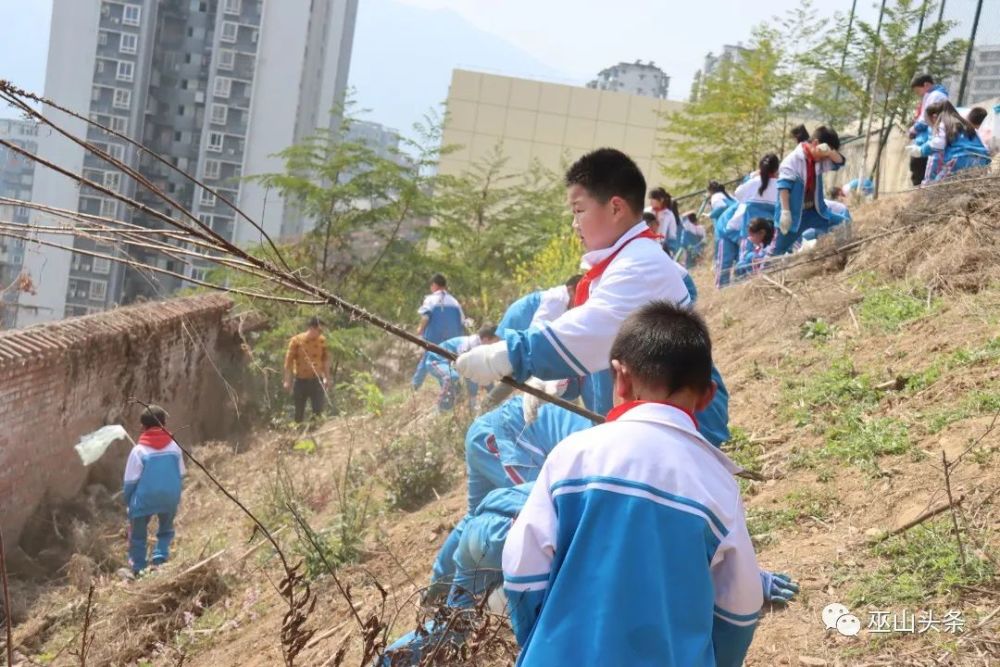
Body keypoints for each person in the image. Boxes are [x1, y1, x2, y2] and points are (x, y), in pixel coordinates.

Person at [502, 302, 762, 666]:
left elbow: (521, 570)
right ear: (707, 395)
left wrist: (540, 640)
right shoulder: (718, 486)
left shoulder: (572, 456)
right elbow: (741, 608)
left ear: (620, 377)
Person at [383, 478, 798, 666]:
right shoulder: (666, 501)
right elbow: (683, 561)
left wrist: (434, 595)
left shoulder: (577, 471)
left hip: (481, 531)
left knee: (451, 625)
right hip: (512, 537)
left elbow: (462, 534)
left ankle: (390, 660)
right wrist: (756, 580)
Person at [453, 148, 693, 418]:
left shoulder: (639, 265)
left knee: (496, 434)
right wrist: (558, 380)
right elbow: (599, 346)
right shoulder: (624, 261)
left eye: (579, 211)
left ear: (616, 208)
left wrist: (510, 353)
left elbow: (592, 327)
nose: (573, 223)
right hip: (628, 416)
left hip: (660, 426)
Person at [123, 405, 185, 576]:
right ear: (164, 424)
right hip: (170, 496)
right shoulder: (175, 446)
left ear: (143, 427)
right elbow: (181, 474)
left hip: (145, 498)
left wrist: (129, 503)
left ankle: (139, 567)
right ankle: (160, 558)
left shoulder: (138, 451)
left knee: (138, 535)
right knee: (166, 529)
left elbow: (130, 482)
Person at [771, 126, 847, 256]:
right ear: (816, 143)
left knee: (842, 223)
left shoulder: (819, 159)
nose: (825, 159)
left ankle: (841, 255)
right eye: (825, 153)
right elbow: (784, 186)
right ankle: (762, 272)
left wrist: (829, 152)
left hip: (815, 212)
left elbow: (840, 162)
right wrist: (785, 212)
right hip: (794, 215)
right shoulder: (792, 160)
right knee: (777, 250)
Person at [718, 154, 779, 288]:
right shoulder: (780, 185)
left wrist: (752, 176)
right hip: (771, 233)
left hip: (750, 233)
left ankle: (744, 289)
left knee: (744, 264)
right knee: (768, 260)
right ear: (776, 170)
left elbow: (738, 195)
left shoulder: (752, 183)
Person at [413, 324, 501, 412]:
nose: (495, 346)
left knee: (458, 392)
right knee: (451, 378)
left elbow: (483, 374)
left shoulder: (480, 347)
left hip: (449, 365)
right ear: (486, 340)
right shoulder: (470, 347)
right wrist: (473, 402)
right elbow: (470, 374)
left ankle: (452, 410)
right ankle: (440, 411)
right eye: (495, 342)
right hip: (436, 361)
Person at [908, 100, 990, 183]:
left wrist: (927, 182)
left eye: (929, 123)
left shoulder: (943, 123)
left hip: (960, 159)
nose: (931, 126)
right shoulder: (966, 124)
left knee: (938, 185)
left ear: (934, 117)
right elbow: (984, 146)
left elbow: (936, 149)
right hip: (982, 160)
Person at [283, 316, 331, 423]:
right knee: (299, 413)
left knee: (318, 412)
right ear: (311, 328)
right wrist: (287, 380)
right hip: (301, 381)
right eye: (319, 330)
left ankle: (315, 432)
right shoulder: (296, 341)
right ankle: (298, 435)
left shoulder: (322, 341)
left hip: (317, 380)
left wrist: (327, 378)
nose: (320, 333)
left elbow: (326, 360)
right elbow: (288, 362)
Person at [908, 74, 950, 186]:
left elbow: (925, 117)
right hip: (926, 138)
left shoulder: (936, 96)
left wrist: (914, 129)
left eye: (918, 91)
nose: (919, 95)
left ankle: (921, 189)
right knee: (917, 167)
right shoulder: (932, 95)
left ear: (926, 85)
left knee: (919, 166)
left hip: (928, 138)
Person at [649, 187, 680, 256]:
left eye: (653, 199)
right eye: (650, 199)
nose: (650, 201)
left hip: (661, 249)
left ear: (661, 200)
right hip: (647, 247)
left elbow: (672, 235)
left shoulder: (669, 215)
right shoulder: (647, 212)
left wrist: (670, 251)